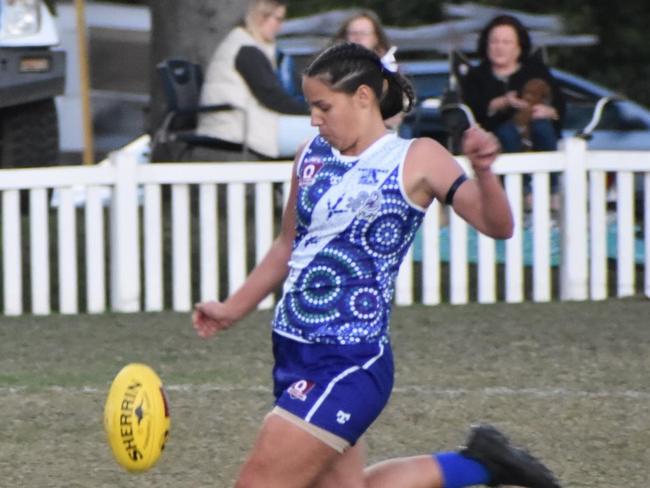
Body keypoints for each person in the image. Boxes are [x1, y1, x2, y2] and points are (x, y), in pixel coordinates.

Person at [192, 42, 562, 488]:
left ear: (363, 97)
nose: (314, 119)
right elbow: (288, 245)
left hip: (348, 360)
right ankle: (482, 464)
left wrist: (484, 171)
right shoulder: (310, 155)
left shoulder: (416, 158)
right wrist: (232, 309)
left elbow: (497, 225)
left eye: (323, 106)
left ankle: (483, 464)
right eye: (312, 107)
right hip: (292, 352)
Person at [461, 14, 566, 208]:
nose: (499, 47)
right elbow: (471, 110)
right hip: (495, 134)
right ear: (486, 45)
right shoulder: (476, 76)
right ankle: (522, 193)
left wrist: (548, 110)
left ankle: (552, 191)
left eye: (506, 42)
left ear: (519, 46)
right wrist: (499, 103)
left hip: (535, 129)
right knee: (507, 132)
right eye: (494, 41)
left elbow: (558, 104)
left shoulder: (536, 70)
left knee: (542, 127)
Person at [196, 0, 314, 161]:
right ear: (261, 17)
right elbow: (273, 98)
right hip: (239, 125)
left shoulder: (240, 43)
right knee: (331, 132)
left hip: (237, 122)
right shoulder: (246, 50)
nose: (280, 27)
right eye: (278, 19)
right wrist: (317, 111)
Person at [333, 10, 403, 131]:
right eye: (353, 33)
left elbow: (394, 117)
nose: (358, 38)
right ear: (345, 37)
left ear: (376, 38)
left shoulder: (389, 69)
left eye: (364, 33)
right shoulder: (328, 67)